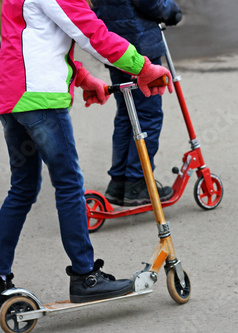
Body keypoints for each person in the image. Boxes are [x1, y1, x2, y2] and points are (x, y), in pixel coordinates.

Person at [0, 0, 173, 309]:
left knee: (22, 189)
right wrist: (145, 68)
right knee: (68, 185)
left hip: (12, 98)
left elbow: (37, 38)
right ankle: (85, 276)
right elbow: (92, 33)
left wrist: (82, 78)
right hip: (41, 99)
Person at [91, 0, 182, 206]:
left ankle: (118, 181)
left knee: (126, 113)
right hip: (140, 44)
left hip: (114, 44)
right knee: (148, 115)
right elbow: (149, 3)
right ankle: (137, 182)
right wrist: (171, 11)